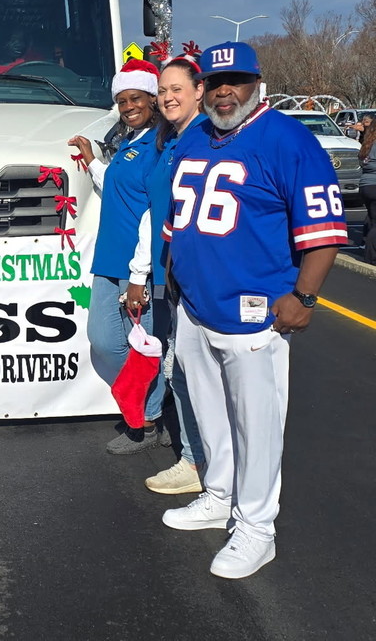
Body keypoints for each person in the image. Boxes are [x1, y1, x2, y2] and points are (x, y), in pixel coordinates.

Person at [161, 42, 348, 579]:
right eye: (216, 81)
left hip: (255, 310)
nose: (225, 91)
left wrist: (305, 296)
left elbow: (325, 230)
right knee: (209, 411)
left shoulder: (288, 138)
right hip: (195, 302)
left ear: (256, 83)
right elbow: (181, 209)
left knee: (257, 424)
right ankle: (219, 493)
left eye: (236, 80)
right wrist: (174, 264)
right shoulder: (197, 134)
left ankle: (257, 527)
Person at [68, 58, 167, 454]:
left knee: (141, 344)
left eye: (136, 98)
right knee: (105, 341)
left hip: (134, 266)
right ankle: (144, 406)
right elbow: (117, 188)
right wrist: (92, 159)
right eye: (122, 100)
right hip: (109, 261)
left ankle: (148, 419)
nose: (128, 106)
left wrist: (140, 273)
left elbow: (151, 214)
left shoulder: (160, 145)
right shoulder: (129, 143)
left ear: (152, 100)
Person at [128, 56, 208, 494]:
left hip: (194, 274)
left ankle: (198, 464)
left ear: (199, 91)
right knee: (182, 368)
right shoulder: (172, 139)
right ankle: (198, 459)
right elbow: (156, 209)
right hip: (172, 272)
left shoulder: (200, 139)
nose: (168, 97)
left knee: (191, 371)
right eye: (163, 90)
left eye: (177, 88)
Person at [358, 118, 376, 264]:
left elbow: (362, 162)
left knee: (372, 220)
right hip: (375, 185)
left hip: (365, 185)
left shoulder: (367, 143)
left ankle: (367, 248)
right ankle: (371, 256)